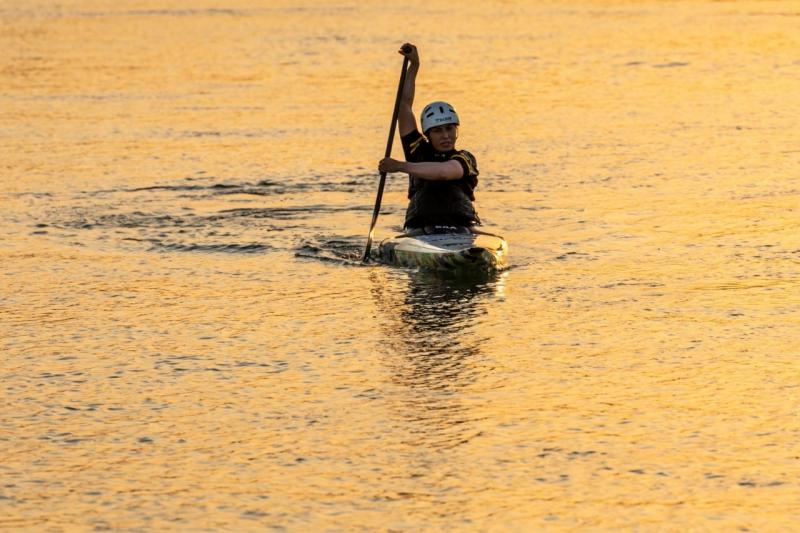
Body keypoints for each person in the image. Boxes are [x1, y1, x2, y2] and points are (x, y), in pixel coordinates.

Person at [378, 43, 481, 236]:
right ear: (428, 134)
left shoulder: (465, 158)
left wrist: (400, 166)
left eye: (450, 129)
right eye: (438, 131)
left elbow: (444, 172)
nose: (445, 136)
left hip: (461, 224)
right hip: (419, 225)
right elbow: (404, 105)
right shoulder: (417, 149)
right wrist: (414, 66)